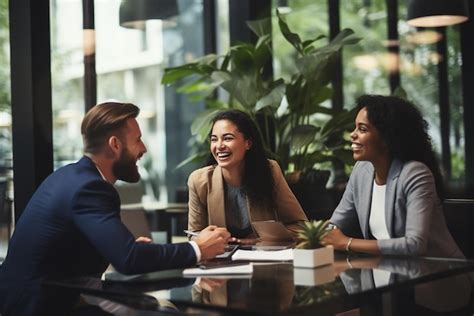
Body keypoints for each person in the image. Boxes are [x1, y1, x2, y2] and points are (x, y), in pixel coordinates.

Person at [0, 102, 230, 313]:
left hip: (38, 298)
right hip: (42, 307)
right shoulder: (90, 188)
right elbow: (129, 259)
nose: (144, 148)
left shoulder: (70, 176)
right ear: (115, 144)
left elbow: (75, 252)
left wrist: (117, 249)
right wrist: (198, 249)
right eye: (138, 139)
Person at [323, 95, 464, 258]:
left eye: (362, 129)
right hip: (394, 272)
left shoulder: (415, 174)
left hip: (440, 274)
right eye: (355, 128)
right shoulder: (362, 171)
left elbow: (414, 245)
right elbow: (336, 224)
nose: (352, 135)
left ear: (386, 138)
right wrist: (311, 235)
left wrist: (346, 242)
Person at [187, 109, 307, 240]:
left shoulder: (270, 170)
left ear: (248, 143)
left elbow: (299, 226)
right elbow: (193, 235)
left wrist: (257, 240)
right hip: (221, 257)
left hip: (263, 255)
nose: (219, 146)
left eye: (227, 138)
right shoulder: (198, 181)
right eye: (214, 139)